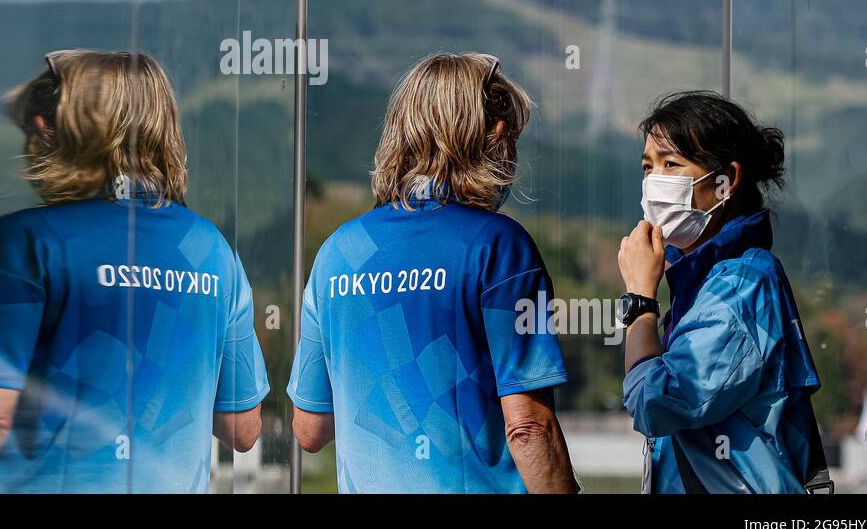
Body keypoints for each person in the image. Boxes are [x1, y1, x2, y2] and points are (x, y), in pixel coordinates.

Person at [0, 50, 269, 493]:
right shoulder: (212, 252)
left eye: (42, 118)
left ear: (56, 132)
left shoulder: (19, 245)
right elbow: (241, 427)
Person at [287, 52, 578, 493]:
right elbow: (529, 428)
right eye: (514, 140)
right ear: (496, 134)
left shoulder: (337, 254)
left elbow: (309, 429)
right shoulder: (499, 246)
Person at [617, 90, 827, 493]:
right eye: (647, 167)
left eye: (671, 164)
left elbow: (657, 403)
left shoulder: (740, 285)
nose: (653, 181)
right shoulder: (703, 280)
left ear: (724, 183)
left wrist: (641, 302)